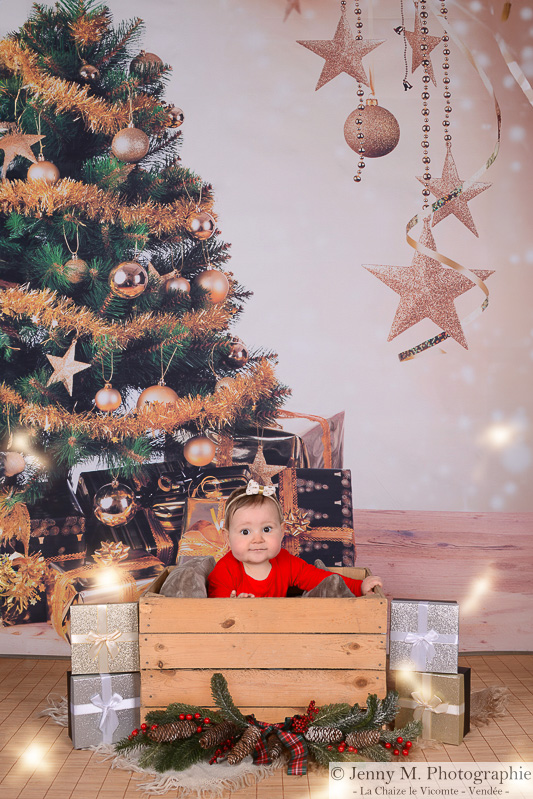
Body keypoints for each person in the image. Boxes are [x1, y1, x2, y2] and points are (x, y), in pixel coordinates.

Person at [207, 480, 383, 598]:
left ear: (282, 531)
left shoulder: (285, 562)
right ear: (227, 538)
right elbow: (211, 612)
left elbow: (322, 579)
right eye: (245, 532)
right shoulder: (225, 571)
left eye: (266, 529)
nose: (257, 539)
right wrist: (234, 606)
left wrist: (359, 587)